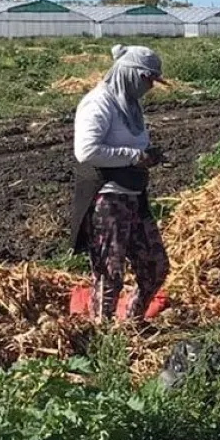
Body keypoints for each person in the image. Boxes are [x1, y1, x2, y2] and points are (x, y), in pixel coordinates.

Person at [70, 44, 170, 322]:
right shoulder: (99, 102)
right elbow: (86, 151)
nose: (150, 86)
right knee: (109, 274)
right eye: (147, 79)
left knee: (155, 266)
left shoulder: (130, 104)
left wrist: (149, 156)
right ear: (130, 74)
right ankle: (102, 337)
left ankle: (132, 322)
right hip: (108, 199)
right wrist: (133, 156)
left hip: (134, 197)